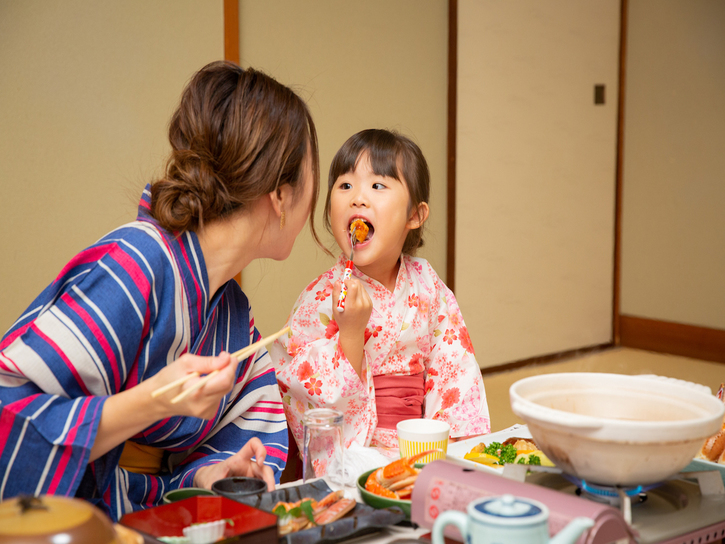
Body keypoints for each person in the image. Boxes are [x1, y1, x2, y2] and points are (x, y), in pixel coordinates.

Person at [0, 61, 319, 521]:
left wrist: (212, 474)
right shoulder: (135, 263)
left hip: (133, 517)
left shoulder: (229, 308)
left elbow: (233, 443)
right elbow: (10, 418)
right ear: (281, 194)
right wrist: (152, 401)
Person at [270, 129, 490, 460]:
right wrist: (351, 334)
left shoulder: (427, 285)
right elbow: (299, 387)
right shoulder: (319, 297)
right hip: (355, 454)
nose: (357, 197)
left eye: (377, 185)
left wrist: (451, 451)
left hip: (421, 449)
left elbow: (456, 372)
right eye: (345, 185)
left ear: (414, 216)